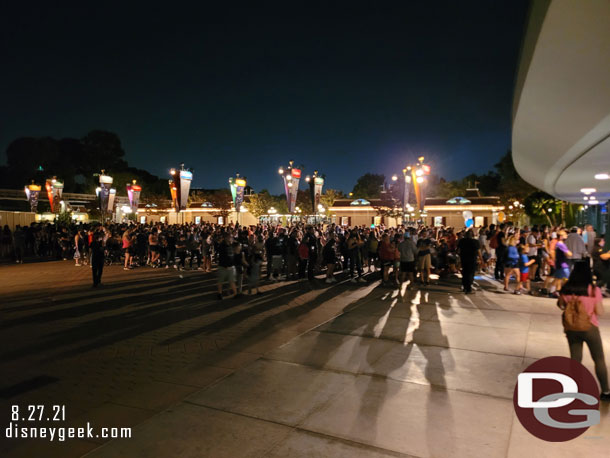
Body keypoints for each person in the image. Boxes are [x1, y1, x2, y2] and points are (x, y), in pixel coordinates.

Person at [558, 261, 610, 401]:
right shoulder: (593, 290)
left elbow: (561, 305)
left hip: (571, 328)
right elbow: (599, 311)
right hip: (590, 327)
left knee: (575, 359)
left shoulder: (566, 288)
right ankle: (605, 392)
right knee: (598, 359)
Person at [457, 229, 482, 294]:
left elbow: (458, 250)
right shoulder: (475, 242)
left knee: (464, 273)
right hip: (472, 259)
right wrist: (482, 260)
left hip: (464, 258)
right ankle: (468, 288)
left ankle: (465, 287)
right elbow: (479, 252)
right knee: (470, 273)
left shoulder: (462, 241)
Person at [552, 230, 573, 297]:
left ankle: (555, 291)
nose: (566, 235)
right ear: (561, 237)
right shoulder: (561, 244)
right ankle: (557, 291)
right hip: (562, 264)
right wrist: (569, 252)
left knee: (558, 278)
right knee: (564, 278)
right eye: (565, 234)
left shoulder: (559, 244)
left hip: (560, 263)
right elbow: (569, 254)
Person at [217, 232, 237, 299]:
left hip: (231, 266)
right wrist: (225, 265)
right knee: (221, 281)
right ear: (226, 238)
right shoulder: (222, 245)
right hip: (223, 266)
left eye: (231, 237)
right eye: (230, 237)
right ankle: (219, 294)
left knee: (232, 281)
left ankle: (236, 294)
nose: (231, 238)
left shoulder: (231, 245)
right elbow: (222, 257)